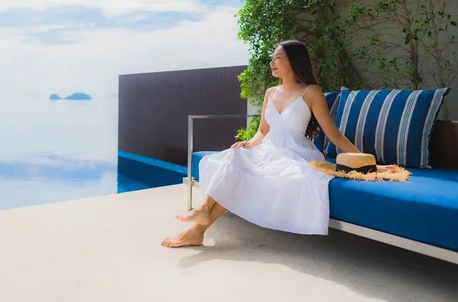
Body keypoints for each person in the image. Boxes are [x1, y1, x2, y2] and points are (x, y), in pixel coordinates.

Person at [161, 39, 391, 248]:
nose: (272, 62)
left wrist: (369, 164)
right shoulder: (271, 92)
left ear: (294, 61)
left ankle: (198, 224)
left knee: (237, 168)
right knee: (235, 155)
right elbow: (262, 130)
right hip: (267, 150)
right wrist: (250, 143)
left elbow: (334, 135)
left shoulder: (311, 92)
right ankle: (199, 224)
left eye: (277, 58)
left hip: (295, 154)